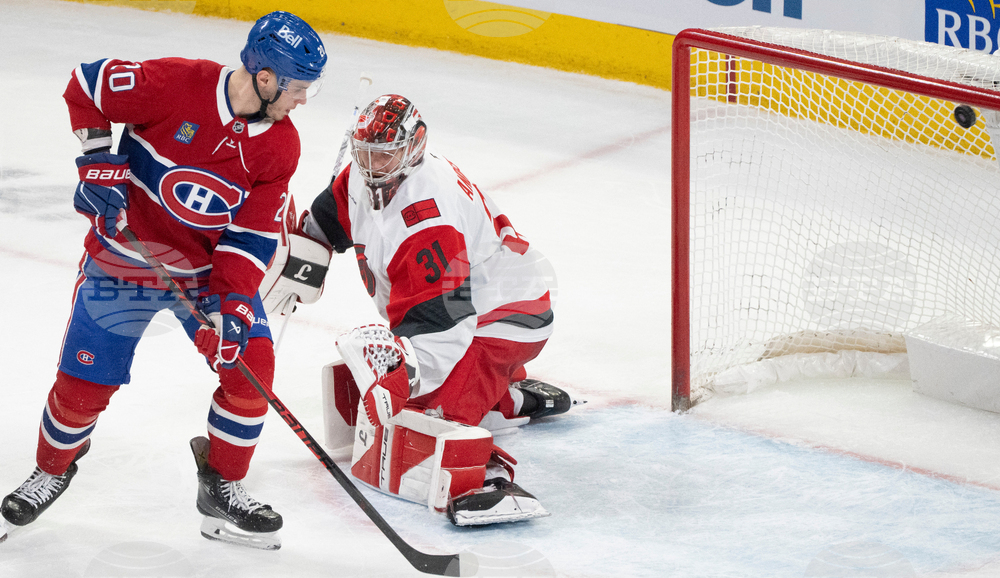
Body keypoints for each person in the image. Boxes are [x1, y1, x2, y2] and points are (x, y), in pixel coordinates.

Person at [0, 11, 327, 550]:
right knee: (84, 386)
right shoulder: (176, 83)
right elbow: (86, 85)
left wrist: (231, 307)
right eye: (297, 87)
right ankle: (51, 470)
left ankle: (221, 485)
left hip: (203, 276)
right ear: (266, 77)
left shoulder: (280, 146)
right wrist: (95, 160)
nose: (303, 100)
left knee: (251, 369)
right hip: (124, 261)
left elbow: (249, 238)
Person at [299, 94, 576, 526]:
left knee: (430, 415)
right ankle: (509, 399)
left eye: (384, 154)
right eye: (364, 152)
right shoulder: (366, 174)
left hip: (503, 315)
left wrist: (403, 379)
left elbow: (447, 325)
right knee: (415, 390)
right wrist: (302, 253)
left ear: (413, 148)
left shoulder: (427, 217)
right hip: (471, 305)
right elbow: (328, 217)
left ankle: (490, 478)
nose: (372, 164)